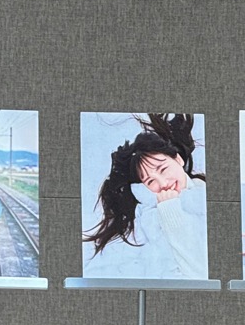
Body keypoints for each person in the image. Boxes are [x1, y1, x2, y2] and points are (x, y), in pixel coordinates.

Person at [83, 113, 208, 279]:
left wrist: (171, 210)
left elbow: (205, 274)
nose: (163, 183)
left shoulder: (207, 197)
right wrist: (169, 210)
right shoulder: (147, 219)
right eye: (150, 181)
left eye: (163, 169)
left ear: (178, 159)